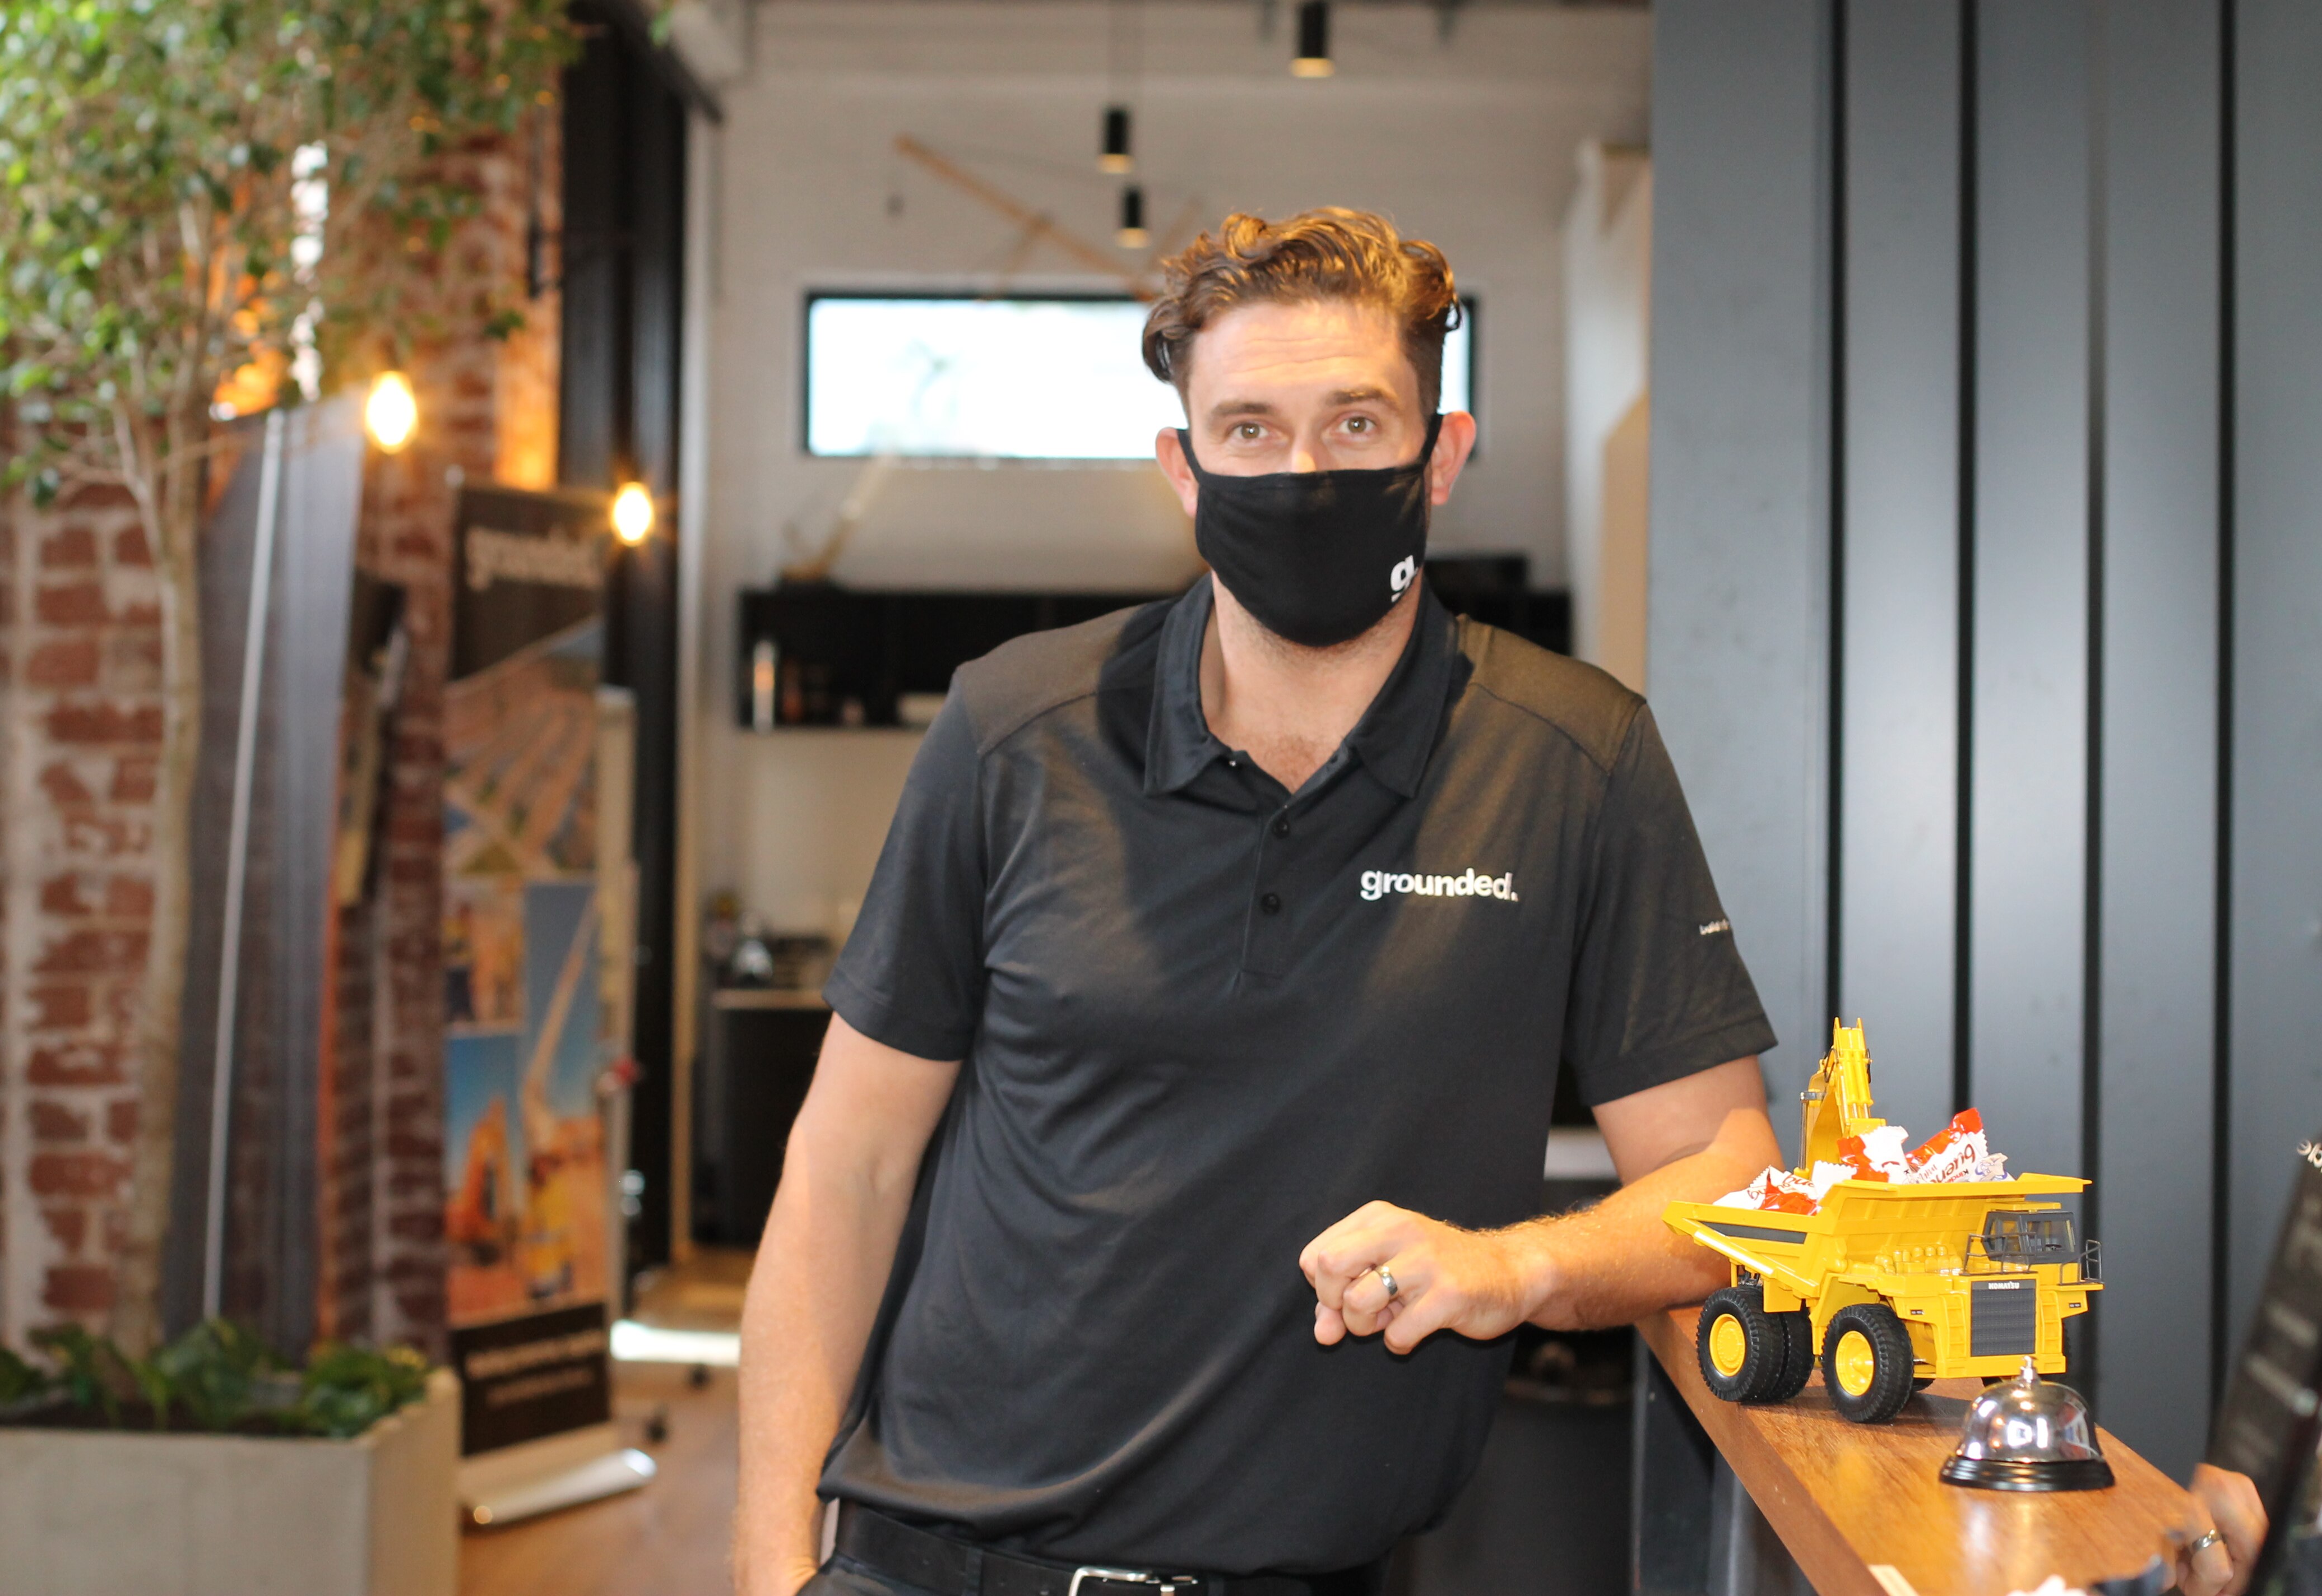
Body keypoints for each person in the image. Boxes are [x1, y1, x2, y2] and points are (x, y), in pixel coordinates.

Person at [733, 207, 2259, 1596]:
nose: (1303, 473)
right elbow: (847, 1168)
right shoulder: (1015, 730)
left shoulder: (1575, 759)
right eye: (1250, 430)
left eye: (1356, 423)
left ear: (1443, 453)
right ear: (1183, 469)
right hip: (929, 1566)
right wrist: (766, 1568)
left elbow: (1730, 1174)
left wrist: (1514, 1263)